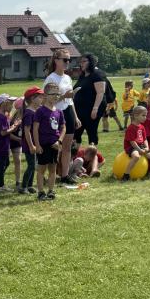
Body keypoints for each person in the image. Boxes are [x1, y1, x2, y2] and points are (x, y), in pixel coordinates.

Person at [43, 47, 79, 185]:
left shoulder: (68, 78)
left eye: (69, 60)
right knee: (54, 146)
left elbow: (70, 100)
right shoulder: (51, 78)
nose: (67, 62)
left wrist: (75, 117)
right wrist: (64, 96)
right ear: (56, 60)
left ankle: (65, 175)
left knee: (67, 147)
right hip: (55, 113)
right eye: (65, 60)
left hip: (68, 111)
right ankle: (49, 175)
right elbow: (46, 100)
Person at [33, 83, 65, 201]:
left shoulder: (59, 112)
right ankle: (41, 192)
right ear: (45, 95)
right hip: (43, 144)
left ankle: (51, 191)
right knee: (41, 169)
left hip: (55, 145)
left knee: (53, 169)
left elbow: (63, 127)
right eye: (53, 94)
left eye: (58, 94)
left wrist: (59, 141)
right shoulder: (40, 111)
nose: (56, 96)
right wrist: (37, 145)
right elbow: (35, 129)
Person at [73, 53, 107, 148]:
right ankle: (76, 153)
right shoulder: (83, 75)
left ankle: (92, 153)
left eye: (84, 61)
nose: (81, 64)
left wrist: (95, 109)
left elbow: (100, 92)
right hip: (80, 109)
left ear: (90, 62)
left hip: (92, 108)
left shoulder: (97, 74)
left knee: (91, 130)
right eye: (80, 62)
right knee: (77, 130)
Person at [122, 106, 150, 180]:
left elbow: (145, 139)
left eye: (146, 115)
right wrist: (139, 150)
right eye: (143, 115)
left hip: (141, 146)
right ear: (136, 116)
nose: (145, 118)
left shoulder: (142, 127)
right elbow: (132, 142)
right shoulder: (130, 128)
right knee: (136, 156)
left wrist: (147, 147)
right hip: (131, 147)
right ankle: (126, 175)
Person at [20, 86, 42, 195]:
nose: (42, 99)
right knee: (31, 165)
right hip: (29, 144)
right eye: (40, 97)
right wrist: (31, 145)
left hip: (35, 143)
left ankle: (29, 185)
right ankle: (23, 187)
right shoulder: (29, 113)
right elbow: (27, 131)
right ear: (33, 99)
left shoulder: (36, 111)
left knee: (34, 165)